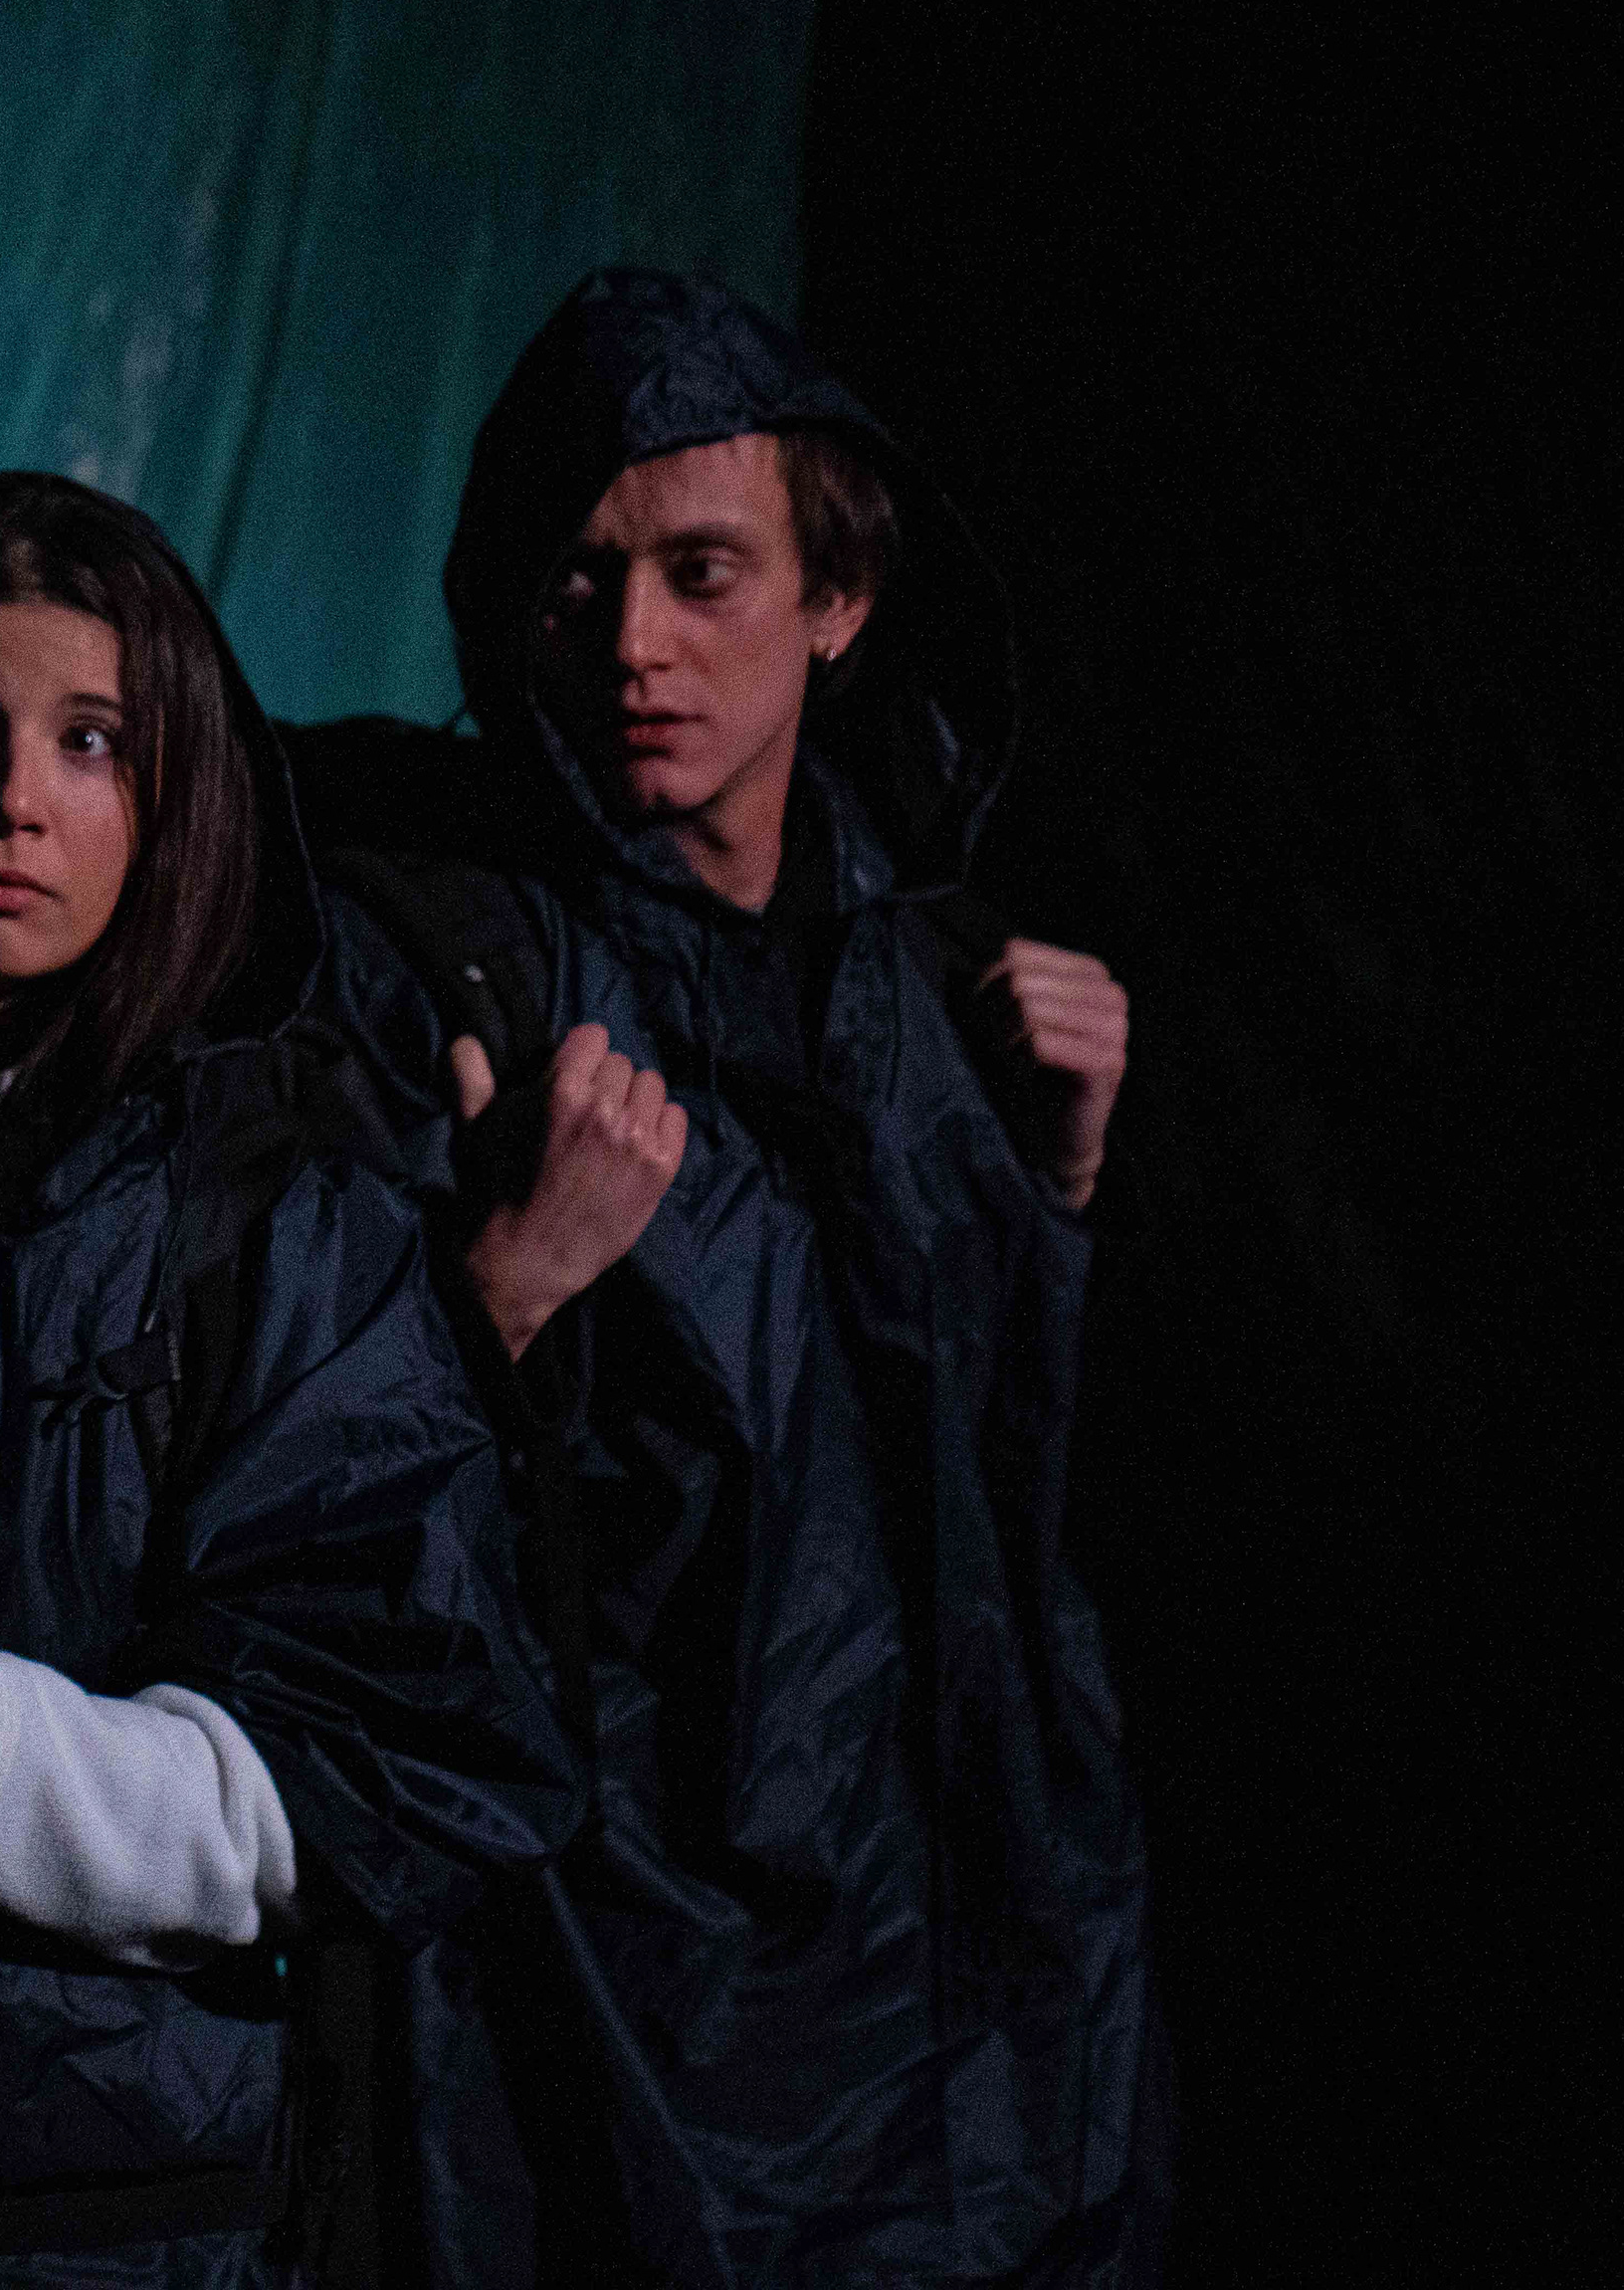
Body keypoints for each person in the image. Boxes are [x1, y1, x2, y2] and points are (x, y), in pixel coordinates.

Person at [294, 269, 1158, 2285]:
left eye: (704, 573)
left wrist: (1060, 1180)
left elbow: (1018, 1510)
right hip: (628, 1981)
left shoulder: (946, 986)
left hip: (987, 1977)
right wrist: (501, 1283)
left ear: (836, 599)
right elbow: (311, 1509)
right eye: (579, 583)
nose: (636, 645)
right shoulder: (432, 963)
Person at [0, 471, 612, 2286]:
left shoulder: (280, 1230)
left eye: (93, 741)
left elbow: (375, 1771)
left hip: (114, 2225)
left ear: (176, 797)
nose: (15, 801)